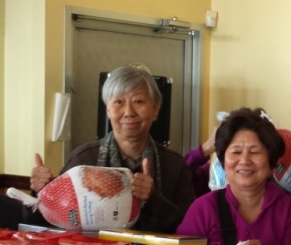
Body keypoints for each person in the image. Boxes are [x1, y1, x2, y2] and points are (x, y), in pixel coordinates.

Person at [29, 65, 195, 234]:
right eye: (118, 102)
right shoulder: (83, 160)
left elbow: (188, 229)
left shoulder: (175, 165)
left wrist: (152, 199)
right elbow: (49, 225)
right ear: (108, 109)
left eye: (138, 101)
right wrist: (40, 192)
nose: (129, 112)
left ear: (155, 108)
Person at [175, 108, 291, 245]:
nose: (244, 160)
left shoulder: (289, 210)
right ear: (223, 160)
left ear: (271, 162)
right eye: (236, 152)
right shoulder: (202, 210)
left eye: (254, 152)